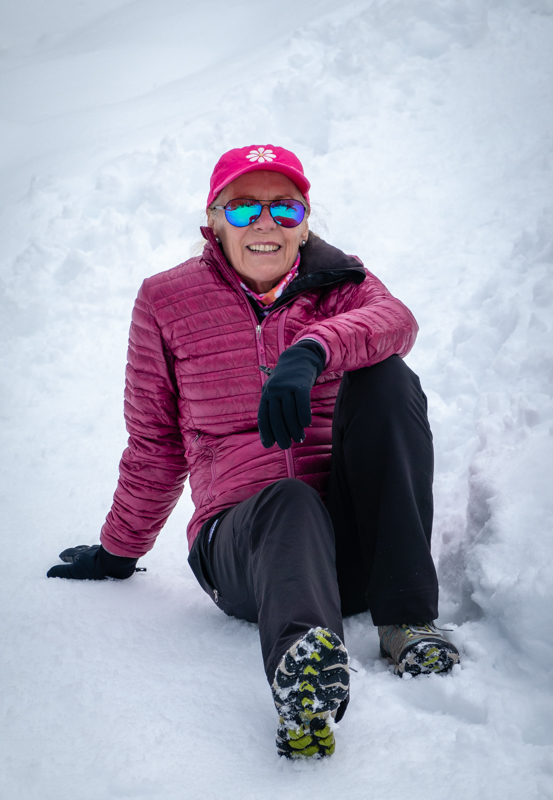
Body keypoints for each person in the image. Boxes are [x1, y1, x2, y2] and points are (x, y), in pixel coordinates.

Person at [48, 144, 459, 759]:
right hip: (246, 554)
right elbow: (155, 443)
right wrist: (117, 552)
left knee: (388, 377)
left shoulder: (340, 281)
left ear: (305, 223)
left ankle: (406, 620)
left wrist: (312, 349)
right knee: (287, 499)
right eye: (243, 209)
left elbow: (395, 320)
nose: (265, 223)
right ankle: (304, 675)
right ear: (214, 221)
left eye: (284, 209)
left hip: (354, 551)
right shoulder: (166, 301)